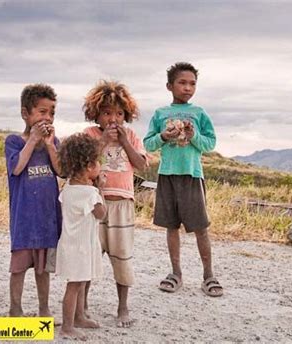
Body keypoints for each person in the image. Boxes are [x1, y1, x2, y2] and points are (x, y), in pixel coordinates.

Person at [143, 62, 223, 297]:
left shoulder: (199, 114)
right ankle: (175, 273)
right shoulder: (160, 114)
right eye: (182, 83)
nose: (188, 88)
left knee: (200, 227)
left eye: (192, 84)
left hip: (191, 175)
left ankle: (209, 275)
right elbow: (148, 143)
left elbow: (210, 144)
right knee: (171, 226)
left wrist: (193, 135)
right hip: (167, 175)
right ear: (170, 86)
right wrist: (163, 136)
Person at [83, 80, 147, 327]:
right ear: (96, 113)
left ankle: (123, 308)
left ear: (126, 115)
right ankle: (83, 305)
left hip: (122, 205)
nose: (113, 119)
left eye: (119, 113)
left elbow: (141, 164)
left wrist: (125, 143)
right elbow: (84, 160)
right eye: (107, 112)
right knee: (89, 255)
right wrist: (103, 142)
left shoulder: (131, 136)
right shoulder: (89, 135)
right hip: (95, 202)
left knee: (122, 257)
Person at [4, 83, 61, 317]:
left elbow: (62, 171)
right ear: (25, 114)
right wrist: (32, 140)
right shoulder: (14, 142)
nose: (47, 117)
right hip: (24, 218)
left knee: (42, 269)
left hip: (47, 217)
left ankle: (44, 311)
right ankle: (15, 310)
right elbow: (16, 168)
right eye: (42, 112)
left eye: (52, 113)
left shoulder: (53, 144)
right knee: (18, 268)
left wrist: (48, 145)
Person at [56, 133, 105, 340]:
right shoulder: (90, 193)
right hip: (81, 246)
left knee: (80, 281)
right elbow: (102, 214)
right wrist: (100, 189)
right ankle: (67, 325)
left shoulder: (68, 188)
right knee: (75, 285)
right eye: (97, 161)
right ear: (88, 167)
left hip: (72, 243)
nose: (100, 165)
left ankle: (78, 317)